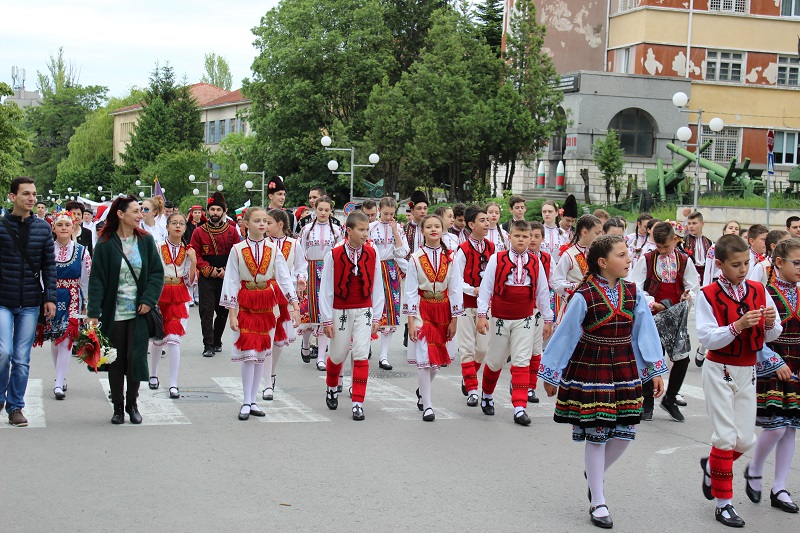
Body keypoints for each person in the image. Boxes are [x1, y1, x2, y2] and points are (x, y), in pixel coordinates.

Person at [539, 235, 667, 529]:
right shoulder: (584, 295)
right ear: (602, 262)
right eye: (621, 255)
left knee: (625, 433)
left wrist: (655, 371)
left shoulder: (633, 292)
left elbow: (645, 331)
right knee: (597, 432)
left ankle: (594, 473)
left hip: (623, 367)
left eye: (627, 254)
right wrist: (552, 373)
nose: (628, 259)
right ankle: (598, 500)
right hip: (592, 367)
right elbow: (566, 334)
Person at [696, 234, 783, 528]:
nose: (743, 269)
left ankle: (712, 466)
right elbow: (707, 337)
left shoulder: (758, 289)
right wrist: (736, 326)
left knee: (745, 439)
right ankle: (724, 504)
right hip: (719, 367)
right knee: (725, 437)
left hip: (748, 369)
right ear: (720, 264)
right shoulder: (708, 294)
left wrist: (769, 323)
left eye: (746, 263)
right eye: (736, 265)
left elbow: (773, 333)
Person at [87, 195, 164, 425]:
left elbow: (156, 273)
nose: (140, 215)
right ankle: (118, 407)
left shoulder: (146, 241)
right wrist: (93, 313)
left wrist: (149, 299)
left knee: (135, 358)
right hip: (114, 312)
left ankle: (132, 404)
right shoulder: (105, 244)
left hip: (139, 312)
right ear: (121, 214)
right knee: (115, 359)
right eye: (136, 211)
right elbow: (96, 280)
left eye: (142, 211)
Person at [221, 207, 301, 421]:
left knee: (261, 355)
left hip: (267, 305)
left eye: (265, 220)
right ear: (246, 224)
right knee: (249, 353)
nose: (262, 224)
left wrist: (294, 305)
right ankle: (246, 400)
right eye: (257, 220)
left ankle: (253, 400)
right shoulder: (237, 249)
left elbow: (284, 277)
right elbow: (231, 280)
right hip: (246, 303)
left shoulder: (273, 249)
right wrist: (232, 314)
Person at [477, 220, 553, 425]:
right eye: (517, 236)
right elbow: (486, 288)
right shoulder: (497, 258)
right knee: (495, 361)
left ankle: (520, 407)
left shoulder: (536, 262)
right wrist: (482, 315)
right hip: (500, 317)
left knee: (521, 361)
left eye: (525, 236)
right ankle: (487, 394)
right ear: (509, 237)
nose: (521, 240)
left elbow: (542, 292)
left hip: (525, 319)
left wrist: (547, 319)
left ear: (530, 239)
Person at [746, 238, 800, 514]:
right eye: (797, 263)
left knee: (790, 427)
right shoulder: (765, 293)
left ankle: (779, 487)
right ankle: (754, 469)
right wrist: (772, 360)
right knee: (777, 426)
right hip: (773, 363)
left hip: (797, 363)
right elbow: (755, 335)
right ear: (779, 262)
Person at [0, 178, 56, 427]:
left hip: (31, 302)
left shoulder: (43, 228)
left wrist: (50, 298)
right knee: (4, 352)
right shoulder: (1, 226)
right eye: (25, 194)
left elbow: (49, 266)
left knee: (21, 357)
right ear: (12, 197)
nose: (31, 198)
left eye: (34, 194)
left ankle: (15, 407)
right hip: (3, 300)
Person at [631, 221, 699, 422]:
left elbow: (693, 286)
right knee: (651, 356)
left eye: (666, 246)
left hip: (675, 315)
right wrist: (653, 303)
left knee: (682, 358)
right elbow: (635, 286)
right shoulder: (647, 259)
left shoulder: (684, 260)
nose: (662, 250)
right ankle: (647, 402)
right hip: (652, 316)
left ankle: (670, 398)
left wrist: (688, 296)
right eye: (659, 246)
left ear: (675, 240)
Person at [320, 211, 384, 421]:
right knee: (338, 355)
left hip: (364, 308)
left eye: (367, 230)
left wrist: (377, 315)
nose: (366, 234)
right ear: (349, 230)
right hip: (340, 309)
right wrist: (326, 318)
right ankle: (331, 386)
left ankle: (358, 402)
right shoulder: (334, 254)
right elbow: (326, 289)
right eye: (361, 230)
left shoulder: (372, 253)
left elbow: (378, 285)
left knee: (361, 354)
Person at [404, 214, 464, 422]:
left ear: (442, 230)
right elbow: (410, 290)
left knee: (437, 360)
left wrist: (455, 318)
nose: (433, 229)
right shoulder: (415, 258)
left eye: (437, 226)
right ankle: (428, 405)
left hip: (444, 310)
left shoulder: (451, 257)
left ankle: (423, 391)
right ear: (422, 231)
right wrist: (411, 321)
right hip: (423, 309)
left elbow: (455, 288)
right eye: (428, 226)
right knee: (424, 357)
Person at [40, 212, 90, 400]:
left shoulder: (82, 251)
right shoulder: (47, 250)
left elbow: (86, 280)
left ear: (73, 228)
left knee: (67, 338)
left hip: (73, 297)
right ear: (53, 228)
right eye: (59, 225)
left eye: (67, 225)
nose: (63, 228)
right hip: (52, 296)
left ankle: (59, 383)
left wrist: (87, 303)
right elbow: (42, 276)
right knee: (55, 340)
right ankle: (60, 377)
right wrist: (43, 297)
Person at [148, 212, 196, 399]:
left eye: (181, 223)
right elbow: (151, 271)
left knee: (174, 339)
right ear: (167, 226)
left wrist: (193, 261)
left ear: (185, 228)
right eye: (174, 223)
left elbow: (190, 281)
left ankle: (173, 383)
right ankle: (153, 374)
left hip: (179, 295)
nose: (178, 226)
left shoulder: (188, 250)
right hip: (160, 294)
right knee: (158, 338)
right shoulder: (158, 246)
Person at [190, 192, 241, 358]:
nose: (215, 213)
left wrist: (226, 270)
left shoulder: (232, 231)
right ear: (208, 211)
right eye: (212, 209)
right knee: (206, 311)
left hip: (226, 274)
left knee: (223, 311)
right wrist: (208, 269)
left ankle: (217, 340)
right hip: (207, 276)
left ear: (224, 211)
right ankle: (208, 344)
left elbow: (237, 252)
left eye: (218, 209)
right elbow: (195, 253)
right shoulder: (199, 232)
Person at [262, 209, 306, 401]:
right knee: (267, 337)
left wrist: (301, 279)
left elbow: (301, 266)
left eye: (269, 222)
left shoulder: (294, 244)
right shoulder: (263, 243)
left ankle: (271, 373)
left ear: (280, 224)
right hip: (266, 292)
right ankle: (266, 382)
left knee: (279, 340)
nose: (265, 226)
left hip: (285, 295)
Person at [453, 205, 494, 407]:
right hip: (466, 304)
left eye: (487, 220)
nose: (487, 223)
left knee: (483, 349)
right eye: (482, 220)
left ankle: (468, 376)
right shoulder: (463, 250)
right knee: (467, 348)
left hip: (485, 307)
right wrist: (473, 289)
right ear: (471, 224)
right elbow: (456, 279)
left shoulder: (492, 248)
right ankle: (472, 389)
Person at [298, 196, 342, 370]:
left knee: (325, 313)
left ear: (331, 211)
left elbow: (340, 253)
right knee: (309, 312)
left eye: (326, 210)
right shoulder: (306, 230)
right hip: (310, 271)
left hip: (329, 272)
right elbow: (300, 253)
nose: (323, 213)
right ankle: (306, 344)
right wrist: (300, 276)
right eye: (320, 209)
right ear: (315, 209)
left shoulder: (337, 231)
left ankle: (322, 357)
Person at [369, 197, 408, 370]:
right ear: (379, 210)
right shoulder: (371, 227)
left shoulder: (398, 228)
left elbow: (402, 252)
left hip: (391, 269)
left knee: (391, 310)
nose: (388, 217)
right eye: (385, 213)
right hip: (373, 268)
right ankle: (366, 346)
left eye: (392, 214)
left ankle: (384, 355)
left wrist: (395, 233)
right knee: (370, 307)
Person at [552, 214, 603, 320]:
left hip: (596, 305)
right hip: (574, 306)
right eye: (597, 233)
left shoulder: (599, 254)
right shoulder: (569, 255)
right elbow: (556, 281)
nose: (600, 236)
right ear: (585, 232)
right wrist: (576, 286)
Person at [526, 221, 553, 403]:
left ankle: (530, 387)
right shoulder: (519, 258)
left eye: (537, 236)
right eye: (530, 236)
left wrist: (547, 314)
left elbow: (551, 283)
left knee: (536, 350)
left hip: (539, 309)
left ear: (543, 239)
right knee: (522, 349)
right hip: (522, 309)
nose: (533, 240)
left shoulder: (547, 259)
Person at [703, 220, 742, 287]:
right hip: (717, 282)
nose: (733, 230)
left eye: (736, 229)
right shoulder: (715, 248)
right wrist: (706, 286)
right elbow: (709, 268)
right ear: (724, 231)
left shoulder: (741, 249)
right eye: (730, 228)